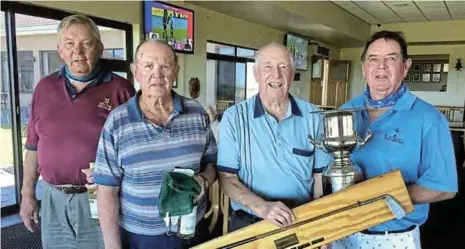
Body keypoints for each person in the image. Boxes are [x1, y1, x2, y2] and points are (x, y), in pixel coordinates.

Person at [332, 31, 457, 249]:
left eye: (391, 58)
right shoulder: (345, 112)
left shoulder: (428, 118)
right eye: (373, 59)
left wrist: (378, 201)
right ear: (364, 68)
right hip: (343, 234)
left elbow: (444, 187)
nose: (381, 66)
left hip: (393, 239)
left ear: (405, 66)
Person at [20, 14, 135, 249]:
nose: (78, 52)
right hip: (52, 199)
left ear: (100, 48)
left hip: (100, 198)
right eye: (70, 44)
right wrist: (27, 195)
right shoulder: (44, 88)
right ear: (60, 50)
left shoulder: (121, 90)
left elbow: (135, 151)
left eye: (87, 43)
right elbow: (33, 146)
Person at [93, 39, 217, 249]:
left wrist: (204, 180)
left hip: (192, 230)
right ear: (135, 71)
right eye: (148, 66)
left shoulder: (196, 113)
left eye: (165, 66)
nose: (157, 75)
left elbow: (211, 165)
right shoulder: (117, 121)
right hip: (140, 239)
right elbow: (106, 191)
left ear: (176, 71)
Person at [217, 42, 331, 248]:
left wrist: (321, 227)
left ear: (292, 73)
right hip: (250, 222)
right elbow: (226, 179)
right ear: (256, 74)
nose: (276, 75)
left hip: (301, 220)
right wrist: (263, 207)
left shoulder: (314, 116)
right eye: (268, 67)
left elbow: (319, 181)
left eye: (283, 67)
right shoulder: (234, 117)